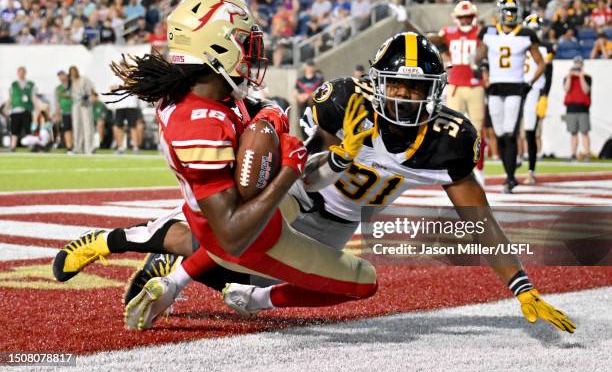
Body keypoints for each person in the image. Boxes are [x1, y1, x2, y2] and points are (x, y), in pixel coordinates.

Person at [57, 32, 575, 335]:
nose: (405, 97)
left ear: (436, 94)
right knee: (231, 234)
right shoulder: (341, 102)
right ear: (375, 81)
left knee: (262, 280)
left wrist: (521, 286)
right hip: (293, 194)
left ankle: (229, 289)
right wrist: (335, 155)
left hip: (340, 224)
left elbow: (478, 224)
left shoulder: (449, 141)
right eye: (396, 84)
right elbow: (294, 162)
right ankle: (147, 259)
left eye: (416, 89)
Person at [53, 0, 377, 330]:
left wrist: (286, 131)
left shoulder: (209, 89)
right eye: (243, 43)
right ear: (215, 49)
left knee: (218, 228)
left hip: (220, 212)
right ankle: (247, 297)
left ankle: (120, 246)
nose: (252, 53)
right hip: (235, 231)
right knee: (363, 281)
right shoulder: (198, 125)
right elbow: (234, 235)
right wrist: (287, 170)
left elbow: (265, 132)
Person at [476, 0, 545, 193]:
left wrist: (530, 83)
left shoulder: (526, 34)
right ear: (499, 12)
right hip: (496, 88)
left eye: (513, 11)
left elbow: (540, 63)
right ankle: (510, 176)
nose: (509, 14)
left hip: (515, 87)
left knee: (509, 133)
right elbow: (479, 57)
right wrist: (481, 69)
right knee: (498, 134)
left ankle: (510, 178)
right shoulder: (488, 32)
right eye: (506, 11)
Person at [432, 1, 486, 184]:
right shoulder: (448, 33)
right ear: (456, 18)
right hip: (455, 85)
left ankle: (479, 169)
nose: (465, 20)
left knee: (478, 130)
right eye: (462, 17)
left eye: (468, 17)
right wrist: (406, 24)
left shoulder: (481, 32)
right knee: (449, 128)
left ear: (474, 17)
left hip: (476, 85)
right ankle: (449, 166)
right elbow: (431, 40)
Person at [521, 15, 554, 184]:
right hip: (517, 90)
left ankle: (530, 171)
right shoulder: (518, 43)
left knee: (530, 131)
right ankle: (515, 163)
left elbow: (548, 74)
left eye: (536, 30)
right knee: (509, 131)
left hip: (533, 91)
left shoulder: (546, 48)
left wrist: (545, 95)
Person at [563, 56, 592, 161]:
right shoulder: (567, 77)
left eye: (579, 63)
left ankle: (587, 153)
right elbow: (566, 89)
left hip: (583, 108)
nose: (577, 65)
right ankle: (573, 153)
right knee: (573, 132)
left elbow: (586, 90)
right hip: (571, 108)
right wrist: (570, 76)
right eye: (576, 63)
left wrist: (581, 76)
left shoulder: (587, 77)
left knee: (584, 132)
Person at [8, 66, 39, 151]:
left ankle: (32, 146)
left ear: (25, 72)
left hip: (27, 110)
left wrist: (37, 108)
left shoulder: (31, 84)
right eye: (19, 71)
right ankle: (13, 146)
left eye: (23, 71)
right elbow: (10, 98)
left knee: (28, 128)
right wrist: (6, 108)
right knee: (14, 129)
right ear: (17, 73)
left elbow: (33, 97)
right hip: (15, 110)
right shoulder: (13, 85)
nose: (21, 73)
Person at [68, 65, 96, 155]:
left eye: (74, 71)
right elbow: (71, 94)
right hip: (76, 105)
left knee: (87, 126)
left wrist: (92, 97)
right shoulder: (71, 82)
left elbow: (92, 89)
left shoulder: (84, 79)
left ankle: (89, 148)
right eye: (71, 72)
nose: (73, 73)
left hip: (85, 104)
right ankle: (77, 147)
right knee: (76, 126)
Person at [293, 59, 324, 136]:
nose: (310, 68)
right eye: (309, 66)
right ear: (305, 67)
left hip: (314, 105)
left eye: (311, 66)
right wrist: (299, 96)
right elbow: (295, 91)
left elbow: (321, 90)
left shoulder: (319, 79)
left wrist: (309, 95)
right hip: (302, 105)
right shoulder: (300, 80)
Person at [54, 70, 73, 154]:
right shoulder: (58, 89)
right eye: (59, 76)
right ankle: (69, 148)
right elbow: (57, 102)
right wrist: (57, 113)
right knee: (67, 129)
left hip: (74, 111)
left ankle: (77, 146)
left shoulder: (73, 85)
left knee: (75, 129)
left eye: (62, 75)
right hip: (65, 112)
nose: (61, 77)